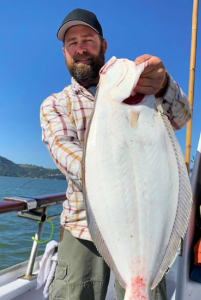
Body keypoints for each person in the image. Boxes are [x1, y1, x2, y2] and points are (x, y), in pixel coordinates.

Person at [40, 8, 191, 300]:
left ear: (103, 46)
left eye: (88, 39)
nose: (81, 48)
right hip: (81, 227)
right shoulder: (56, 104)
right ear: (64, 52)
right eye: (73, 43)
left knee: (145, 289)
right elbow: (65, 154)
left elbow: (182, 118)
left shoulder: (146, 91)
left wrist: (163, 86)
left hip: (146, 226)